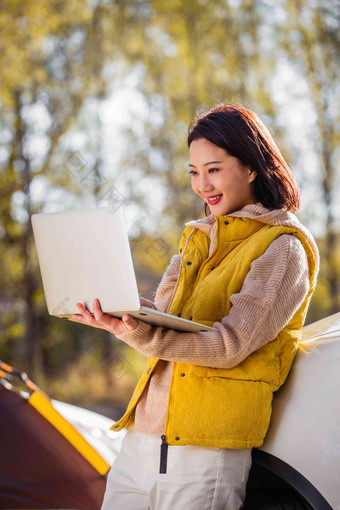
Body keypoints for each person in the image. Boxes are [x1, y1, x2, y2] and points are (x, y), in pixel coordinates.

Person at [73, 104, 319, 510]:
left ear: (252, 167)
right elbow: (171, 321)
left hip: (207, 448)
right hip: (142, 439)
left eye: (214, 169)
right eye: (193, 172)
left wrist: (138, 332)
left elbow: (229, 344)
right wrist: (121, 312)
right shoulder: (198, 238)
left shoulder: (283, 247)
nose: (202, 185)